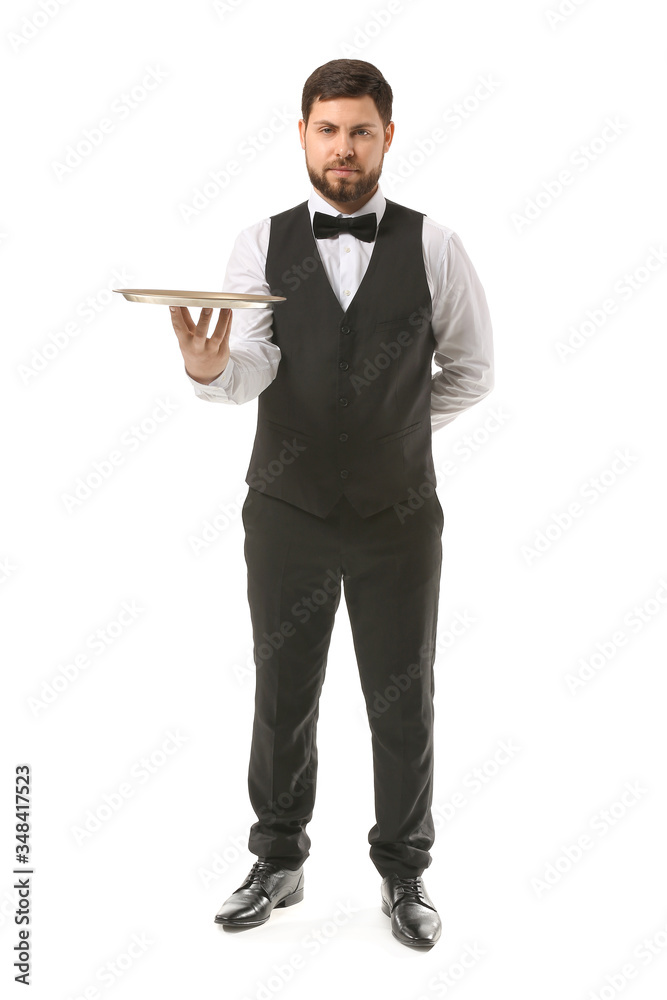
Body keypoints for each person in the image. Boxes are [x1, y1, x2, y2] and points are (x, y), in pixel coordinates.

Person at [170, 58, 494, 949]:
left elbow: (471, 372)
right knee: (284, 690)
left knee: (403, 698)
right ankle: (277, 858)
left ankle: (405, 874)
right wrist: (210, 371)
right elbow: (256, 363)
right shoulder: (259, 241)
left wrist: (391, 427)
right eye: (326, 129)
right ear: (302, 135)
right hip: (286, 510)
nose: (341, 147)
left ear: (387, 135)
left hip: (398, 516)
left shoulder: (433, 245)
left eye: (358, 130)